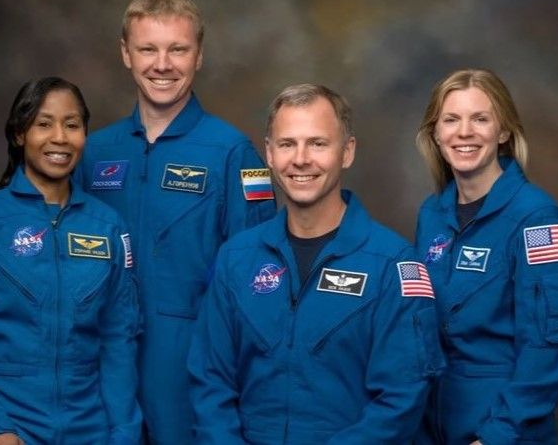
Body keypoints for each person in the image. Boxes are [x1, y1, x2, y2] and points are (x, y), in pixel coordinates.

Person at [188, 84, 444, 443]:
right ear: (270, 154)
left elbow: (402, 398)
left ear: (347, 151)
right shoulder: (236, 259)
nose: (301, 159)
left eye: (318, 143)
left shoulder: (392, 266)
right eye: (287, 143)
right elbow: (210, 381)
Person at [76, 0, 276, 444]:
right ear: (126, 53)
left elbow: (261, 282)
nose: (162, 65)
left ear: (199, 56)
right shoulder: (94, 153)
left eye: (177, 50)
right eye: (148, 49)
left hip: (192, 376)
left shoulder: (233, 154)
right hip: (101, 372)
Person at [0, 77, 141, 445]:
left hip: (87, 428)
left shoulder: (108, 227)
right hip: (5, 425)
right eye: (44, 124)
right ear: (18, 134)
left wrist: (123, 433)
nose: (60, 137)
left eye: (72, 125)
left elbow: (118, 340)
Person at [413, 69, 558, 445]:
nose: (464, 132)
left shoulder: (537, 219)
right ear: (436, 134)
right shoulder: (431, 215)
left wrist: (497, 435)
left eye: (480, 119)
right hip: (432, 425)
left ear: (503, 132)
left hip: (503, 428)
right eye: (451, 120)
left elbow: (548, 344)